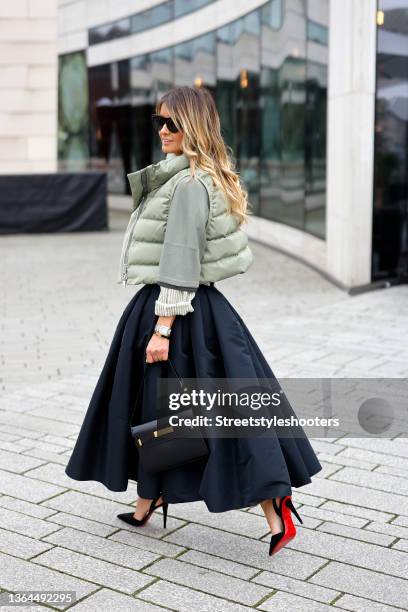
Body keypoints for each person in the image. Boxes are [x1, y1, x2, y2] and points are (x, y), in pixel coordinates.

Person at [65, 85, 322, 557]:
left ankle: (271, 505)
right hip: (204, 312)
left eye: (172, 124)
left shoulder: (187, 186)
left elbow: (180, 262)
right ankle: (153, 500)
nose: (162, 131)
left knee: (187, 414)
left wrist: (162, 330)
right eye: (159, 122)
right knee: (191, 412)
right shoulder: (202, 176)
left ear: (194, 128)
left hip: (175, 311)